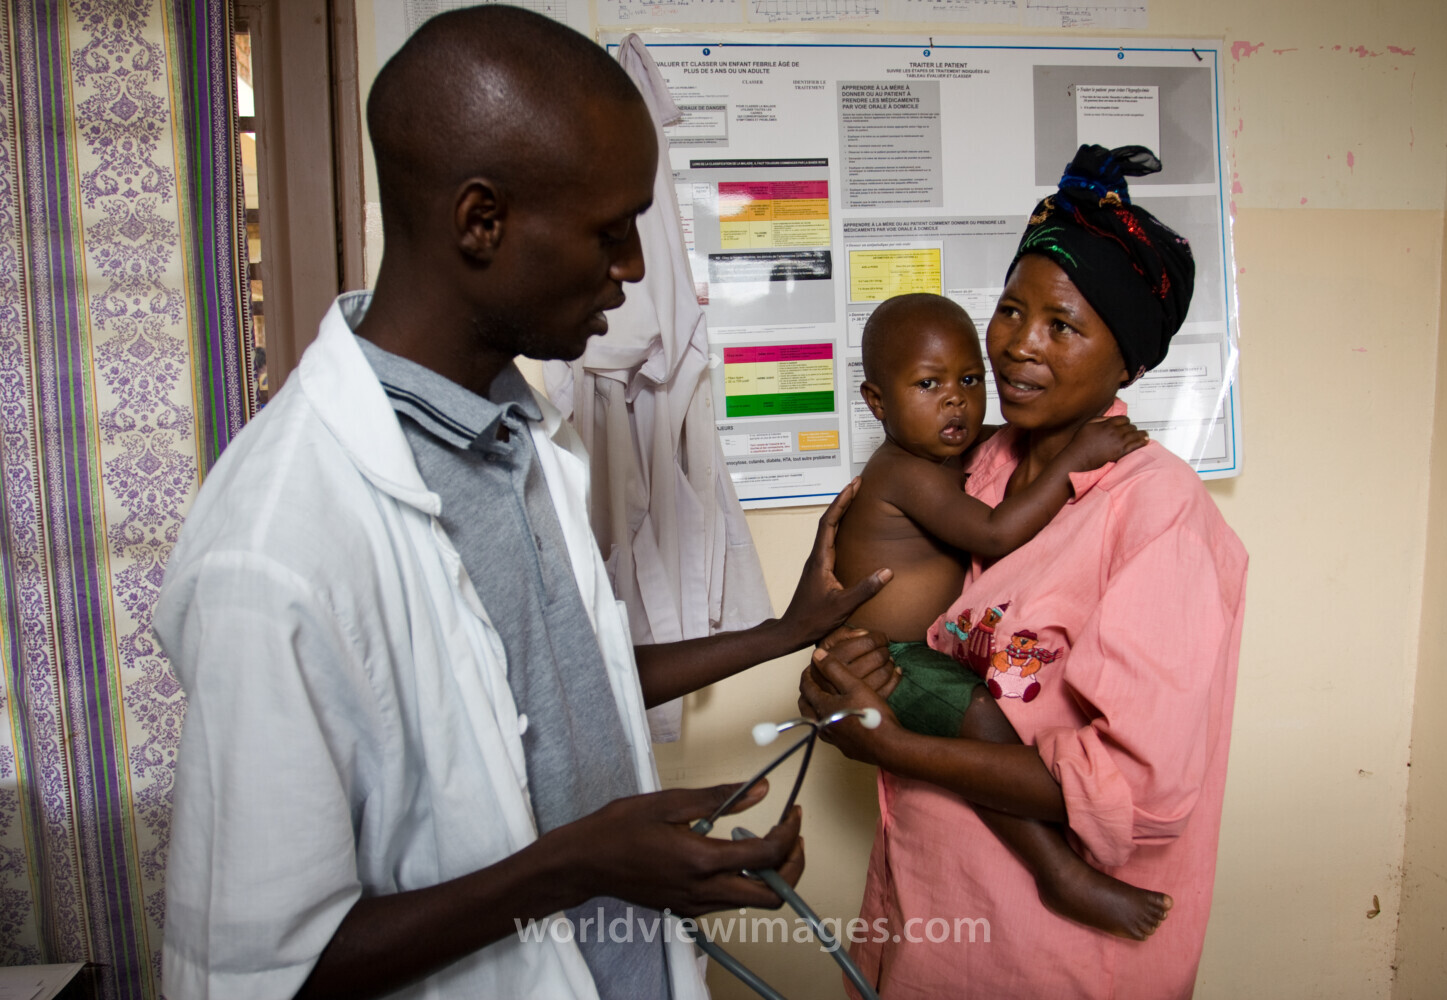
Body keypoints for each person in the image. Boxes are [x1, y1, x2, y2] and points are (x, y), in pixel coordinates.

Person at [153, 8, 889, 1000]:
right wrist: (577, 867)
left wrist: (781, 635)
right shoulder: (277, 543)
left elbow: (559, 684)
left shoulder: (519, 435)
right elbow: (260, 973)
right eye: (609, 232)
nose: (634, 270)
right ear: (481, 222)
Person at [802, 145, 1248, 999]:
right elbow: (887, 621)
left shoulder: (1159, 515)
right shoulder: (967, 467)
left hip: (1047, 960)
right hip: (926, 925)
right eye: (1010, 310)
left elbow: (1138, 793)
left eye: (1062, 326)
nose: (1017, 347)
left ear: (1129, 362)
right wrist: (836, 680)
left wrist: (894, 744)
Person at [834, 290, 1172, 940]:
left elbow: (994, 441)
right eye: (928, 385)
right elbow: (994, 534)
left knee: (984, 732)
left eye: (969, 381)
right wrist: (1074, 458)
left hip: (904, 652)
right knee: (985, 723)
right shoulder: (904, 472)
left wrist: (1038, 435)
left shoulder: (940, 457)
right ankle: (1058, 871)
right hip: (890, 661)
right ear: (876, 402)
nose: (955, 402)